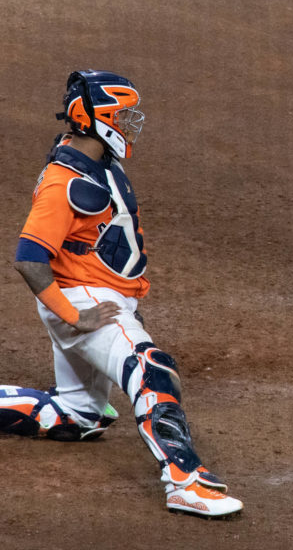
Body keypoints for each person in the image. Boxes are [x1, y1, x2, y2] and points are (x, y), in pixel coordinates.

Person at [0, 70, 243, 518]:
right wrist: (75, 317)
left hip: (97, 295)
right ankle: (185, 482)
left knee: (80, 414)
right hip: (84, 301)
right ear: (97, 120)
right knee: (152, 371)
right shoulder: (63, 183)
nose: (133, 123)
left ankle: (75, 410)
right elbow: (28, 258)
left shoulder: (96, 160)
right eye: (124, 115)